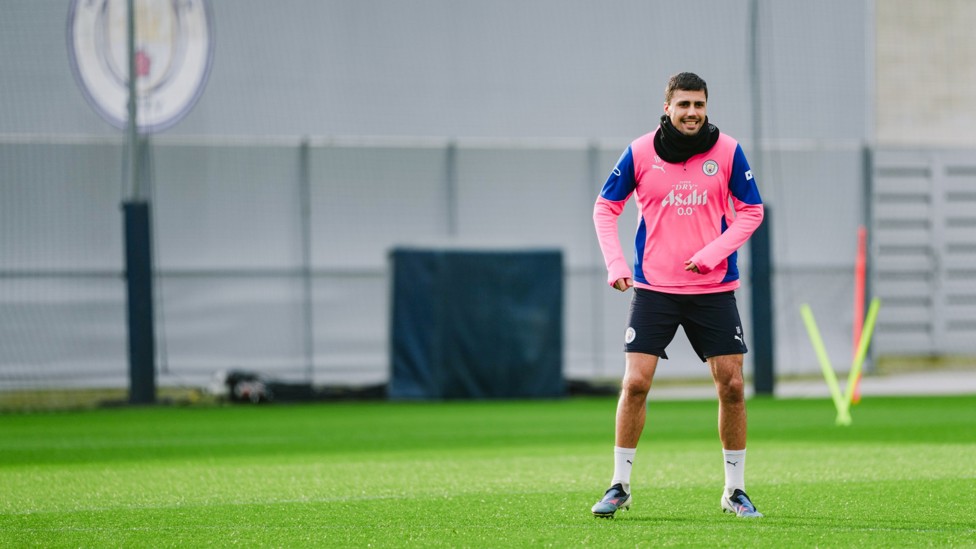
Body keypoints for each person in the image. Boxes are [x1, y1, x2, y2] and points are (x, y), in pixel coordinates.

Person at [590, 72, 765, 519]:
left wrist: (712, 254)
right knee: (634, 384)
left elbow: (751, 211)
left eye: (699, 105)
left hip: (713, 288)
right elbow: (605, 208)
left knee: (733, 387)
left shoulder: (726, 151)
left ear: (707, 108)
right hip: (655, 290)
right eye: (683, 104)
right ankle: (619, 485)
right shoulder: (640, 152)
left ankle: (734, 491)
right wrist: (616, 264)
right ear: (667, 107)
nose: (692, 113)